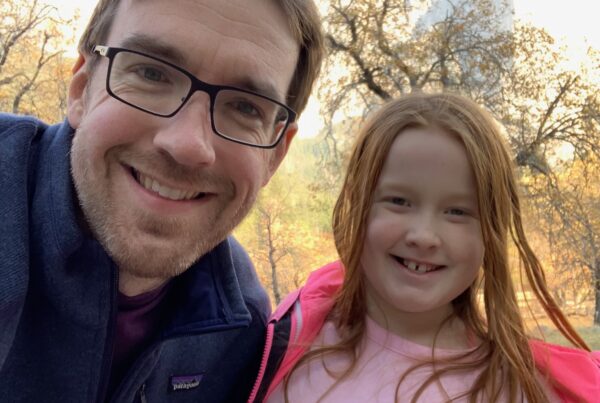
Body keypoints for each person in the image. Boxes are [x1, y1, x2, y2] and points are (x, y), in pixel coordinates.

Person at [0, 0, 324, 401]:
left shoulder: (241, 330)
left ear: (275, 155)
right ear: (82, 88)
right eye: (151, 73)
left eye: (244, 106)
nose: (187, 144)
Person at [249, 93, 600, 403]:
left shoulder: (527, 389)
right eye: (399, 201)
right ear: (357, 205)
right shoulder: (284, 342)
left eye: (457, 212)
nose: (424, 235)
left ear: (491, 231)